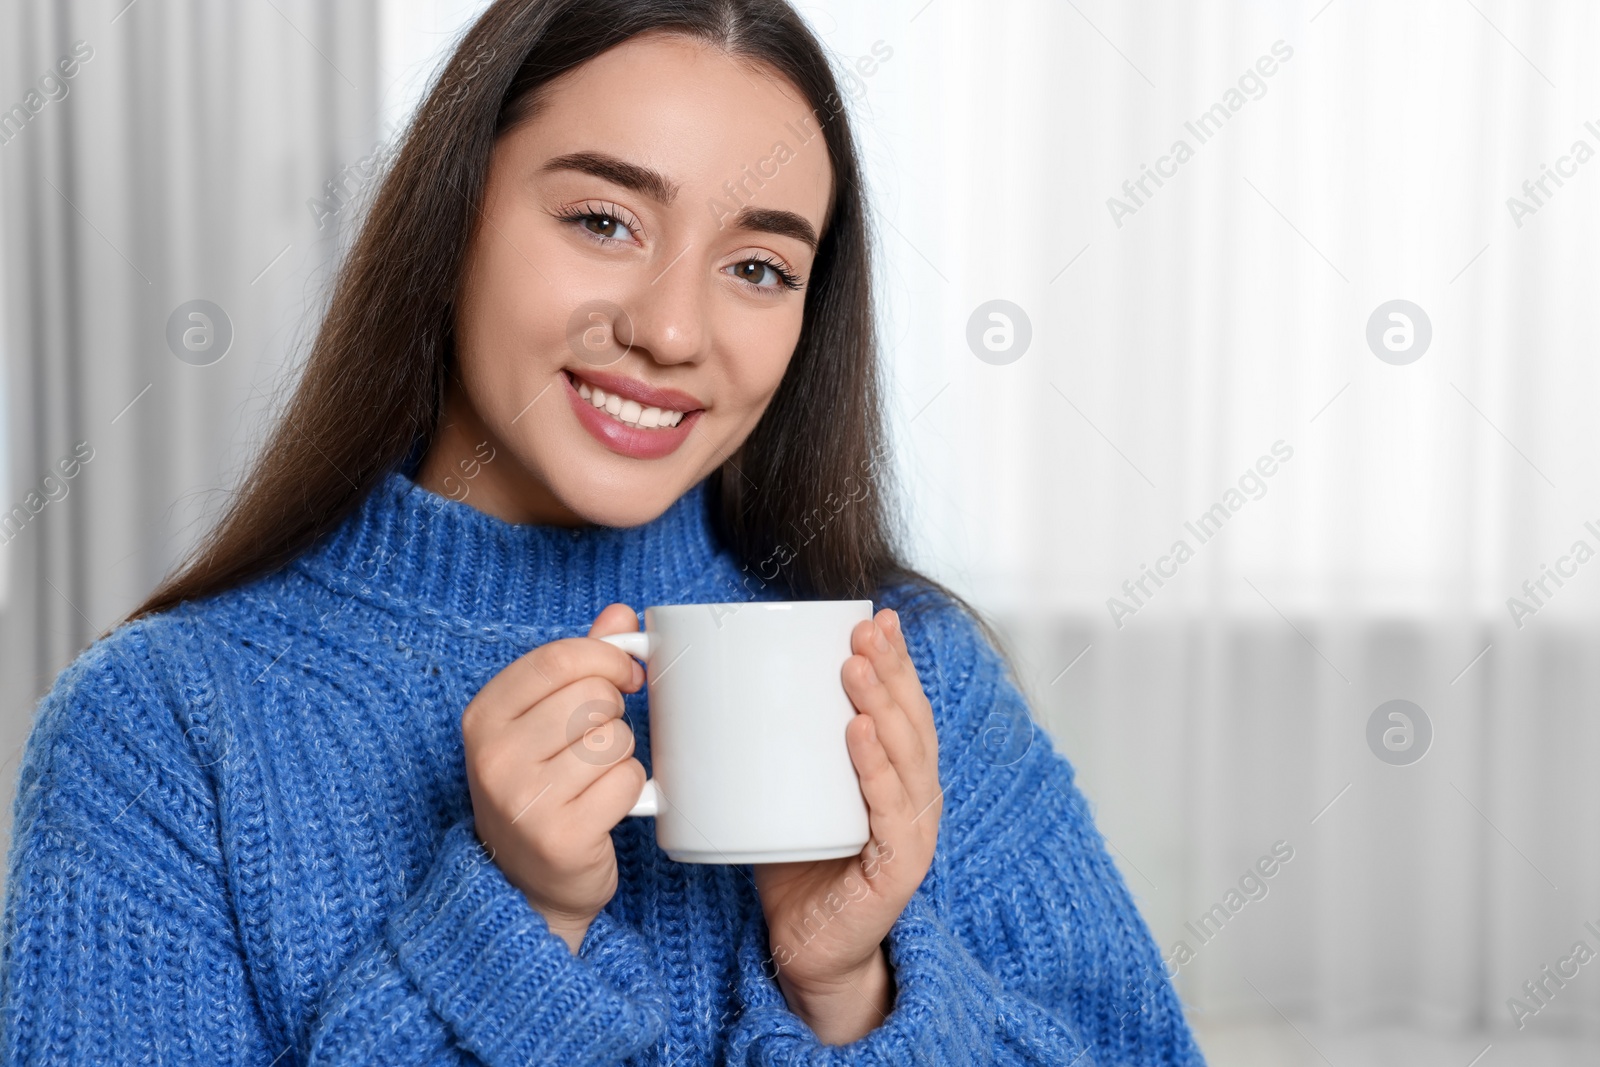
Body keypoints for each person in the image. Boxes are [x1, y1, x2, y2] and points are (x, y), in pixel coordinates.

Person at [0, 1, 1205, 1063]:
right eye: (603, 220)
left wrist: (852, 990)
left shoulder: (910, 675)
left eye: (757, 266)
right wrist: (508, 932)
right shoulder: (161, 730)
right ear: (452, 215)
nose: (674, 331)